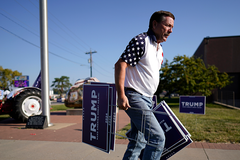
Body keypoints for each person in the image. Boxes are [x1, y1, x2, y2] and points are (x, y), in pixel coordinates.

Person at [114, 10, 175, 160]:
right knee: (157, 138)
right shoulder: (142, 41)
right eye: (167, 25)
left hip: (147, 98)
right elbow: (120, 65)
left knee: (138, 142)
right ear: (155, 24)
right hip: (135, 97)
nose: (170, 30)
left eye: (172, 27)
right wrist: (121, 95)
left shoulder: (160, 49)